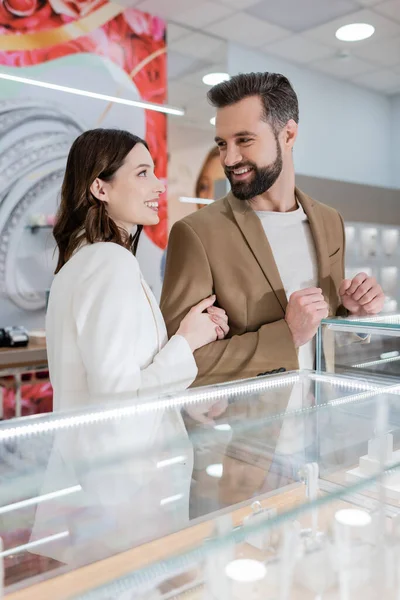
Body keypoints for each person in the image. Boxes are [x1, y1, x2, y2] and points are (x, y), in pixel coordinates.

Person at [161, 72, 384, 387]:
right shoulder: (197, 233)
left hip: (322, 420)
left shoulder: (329, 221)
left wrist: (357, 316)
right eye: (222, 144)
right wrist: (286, 335)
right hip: (248, 433)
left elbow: (321, 332)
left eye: (244, 140)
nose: (229, 158)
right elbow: (177, 363)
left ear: (289, 134)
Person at [47, 128, 229, 409]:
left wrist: (191, 405)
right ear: (100, 188)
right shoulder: (110, 262)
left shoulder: (81, 262)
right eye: (143, 173)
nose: (159, 186)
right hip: (123, 452)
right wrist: (187, 339)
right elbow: (120, 400)